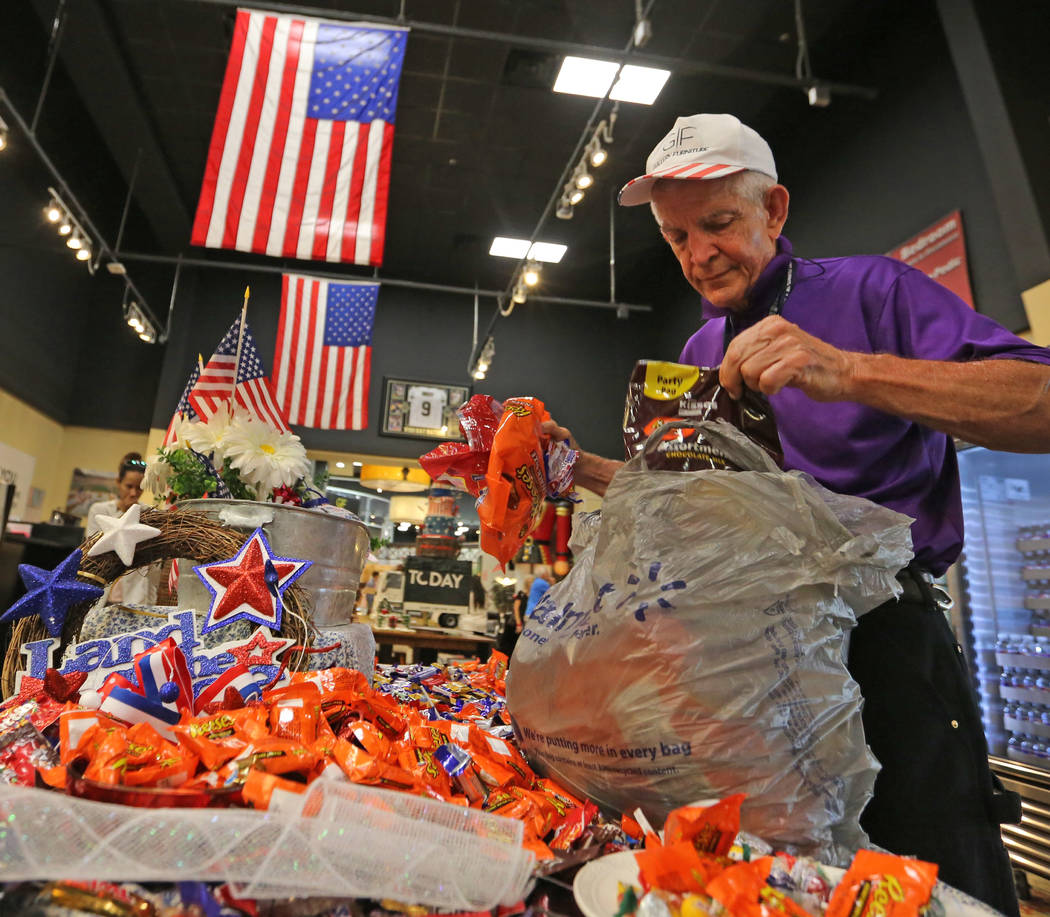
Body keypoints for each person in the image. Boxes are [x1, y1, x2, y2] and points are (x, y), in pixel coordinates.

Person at [546, 113, 1050, 916]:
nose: (699, 255)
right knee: (779, 889)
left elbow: (1039, 397)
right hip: (749, 674)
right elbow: (692, 507)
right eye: (677, 237)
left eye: (718, 224)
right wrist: (583, 471)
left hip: (886, 652)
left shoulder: (872, 291)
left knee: (938, 883)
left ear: (773, 210)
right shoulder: (697, 349)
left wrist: (846, 370)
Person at [85, 452, 160, 606]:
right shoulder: (99, 511)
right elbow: (93, 548)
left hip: (135, 594)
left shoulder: (149, 514)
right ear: (118, 482)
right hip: (102, 590)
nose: (133, 493)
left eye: (139, 488)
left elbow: (153, 559)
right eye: (129, 486)